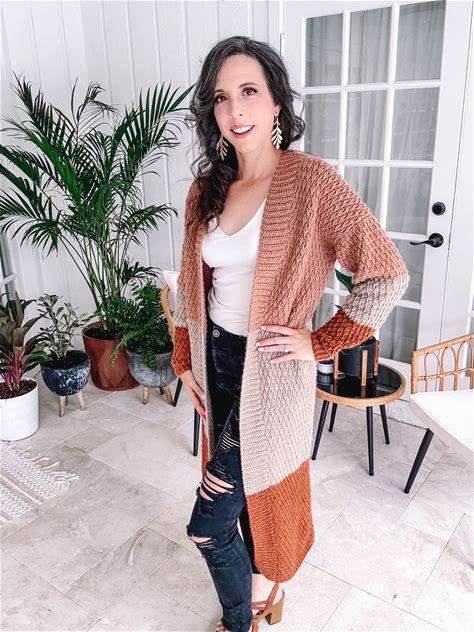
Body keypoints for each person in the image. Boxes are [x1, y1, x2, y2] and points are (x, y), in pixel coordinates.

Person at [171, 36, 410, 632]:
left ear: (277, 102)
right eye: (221, 97)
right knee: (240, 497)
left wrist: (319, 342)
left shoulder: (312, 183)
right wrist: (184, 359)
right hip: (217, 364)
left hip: (272, 373)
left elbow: (387, 274)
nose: (235, 110)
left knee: (208, 521)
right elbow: (188, 287)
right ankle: (261, 589)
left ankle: (240, 619)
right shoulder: (206, 191)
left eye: (249, 91)